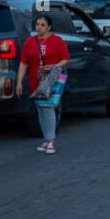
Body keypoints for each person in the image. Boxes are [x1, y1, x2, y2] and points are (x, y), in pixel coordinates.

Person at [17, 13, 70, 154]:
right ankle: (47, 140)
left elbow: (66, 59)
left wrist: (54, 66)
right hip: (35, 82)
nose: (39, 27)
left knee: (48, 108)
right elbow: (23, 63)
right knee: (40, 111)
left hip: (50, 81)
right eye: (37, 24)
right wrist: (19, 82)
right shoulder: (30, 42)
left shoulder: (57, 41)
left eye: (42, 25)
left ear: (49, 27)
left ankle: (51, 140)